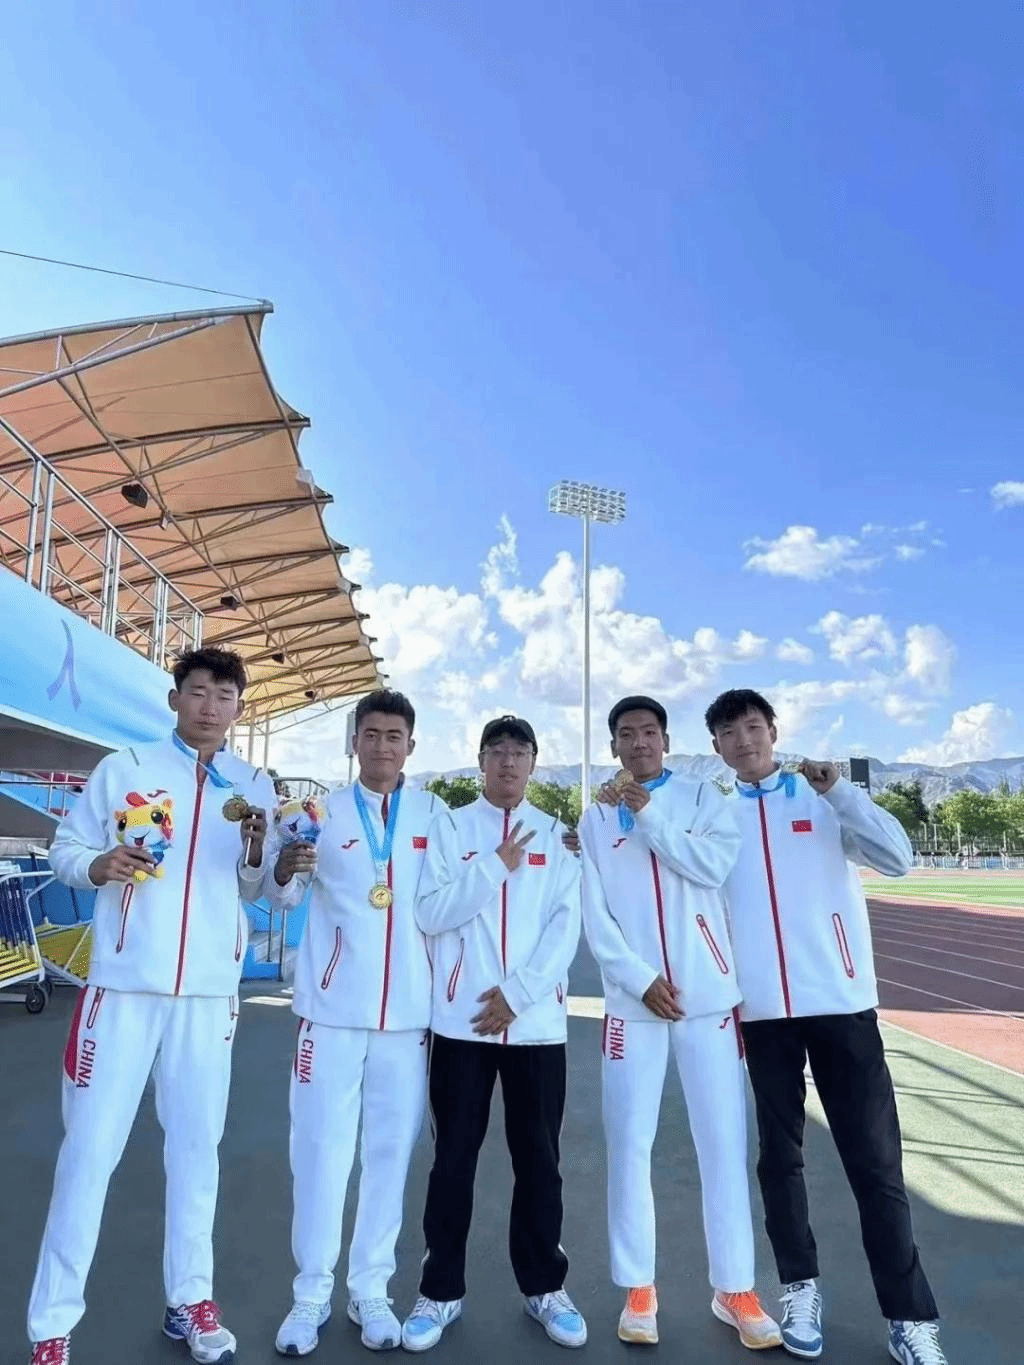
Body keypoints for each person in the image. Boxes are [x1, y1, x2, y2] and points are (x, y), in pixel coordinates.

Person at [28, 646, 275, 1365]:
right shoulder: (125, 768)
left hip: (209, 996)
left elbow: (260, 888)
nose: (210, 706)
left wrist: (261, 855)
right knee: (89, 1154)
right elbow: (66, 850)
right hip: (122, 990)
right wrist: (98, 863)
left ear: (238, 708)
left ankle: (190, 1301)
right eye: (198, 691)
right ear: (175, 699)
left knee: (198, 1153)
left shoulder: (254, 785)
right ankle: (52, 1327)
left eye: (224, 696)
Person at [705, 688, 948, 1365]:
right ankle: (800, 1290)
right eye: (729, 732)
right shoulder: (716, 816)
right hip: (762, 1015)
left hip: (841, 1006)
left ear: (773, 730)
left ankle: (909, 1317)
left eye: (753, 726)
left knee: (876, 1164)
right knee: (779, 1160)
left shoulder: (821, 799)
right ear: (717, 747)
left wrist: (842, 794)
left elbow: (897, 858)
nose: (744, 740)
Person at [581, 696, 782, 1351]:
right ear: (614, 746)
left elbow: (711, 867)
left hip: (707, 1000)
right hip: (633, 1004)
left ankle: (736, 1288)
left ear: (665, 740)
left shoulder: (703, 798)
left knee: (722, 1145)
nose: (639, 742)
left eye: (649, 731)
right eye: (626, 734)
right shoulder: (595, 817)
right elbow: (595, 915)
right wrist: (637, 978)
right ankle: (639, 1288)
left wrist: (650, 814)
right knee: (629, 1146)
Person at [402, 715, 586, 1353]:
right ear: (480, 760)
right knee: (453, 1160)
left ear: (534, 762)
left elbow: (565, 927)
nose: (508, 762)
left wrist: (518, 995)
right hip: (461, 1025)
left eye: (519, 752)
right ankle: (439, 1291)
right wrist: (494, 867)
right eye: (497, 751)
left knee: (540, 1163)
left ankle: (544, 1287)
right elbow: (430, 912)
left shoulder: (558, 836)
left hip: (535, 1028)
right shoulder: (451, 829)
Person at [269, 690, 443, 1356]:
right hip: (331, 1015)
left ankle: (371, 1288)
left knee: (389, 1157)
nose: (382, 746)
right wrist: (283, 867)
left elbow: (452, 899)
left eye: (394, 736)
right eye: (371, 734)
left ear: (410, 745)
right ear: (353, 742)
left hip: (407, 1020)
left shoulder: (433, 815)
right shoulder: (318, 813)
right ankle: (310, 1293)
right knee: (320, 1153)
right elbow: (284, 895)